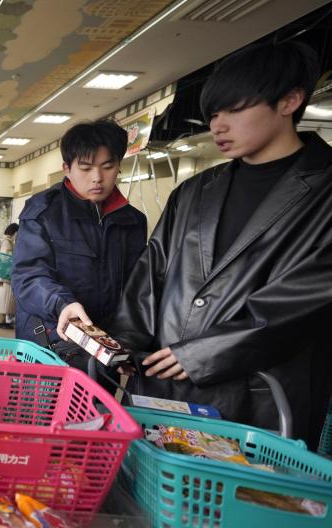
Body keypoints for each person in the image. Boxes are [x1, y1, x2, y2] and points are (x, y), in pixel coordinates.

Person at [108, 40, 332, 448]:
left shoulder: (323, 194)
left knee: (239, 501)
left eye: (235, 109)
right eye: (213, 113)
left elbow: (300, 305)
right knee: (155, 492)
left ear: (290, 101)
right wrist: (124, 344)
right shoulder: (195, 191)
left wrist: (199, 354)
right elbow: (151, 271)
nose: (218, 125)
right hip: (162, 388)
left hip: (257, 398)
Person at [11, 119, 147, 353]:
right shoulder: (44, 212)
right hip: (51, 339)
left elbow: (137, 286)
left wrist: (129, 337)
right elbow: (28, 276)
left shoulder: (132, 221)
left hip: (103, 345)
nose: (97, 177)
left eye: (107, 166)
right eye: (85, 168)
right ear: (67, 168)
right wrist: (62, 303)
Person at [0, 223, 18, 328]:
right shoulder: (7, 242)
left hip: (0, 275)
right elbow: (6, 259)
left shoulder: (3, 240)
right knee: (3, 300)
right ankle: (0, 322)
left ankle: (1, 320)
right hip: (4, 275)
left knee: (2, 299)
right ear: (14, 232)